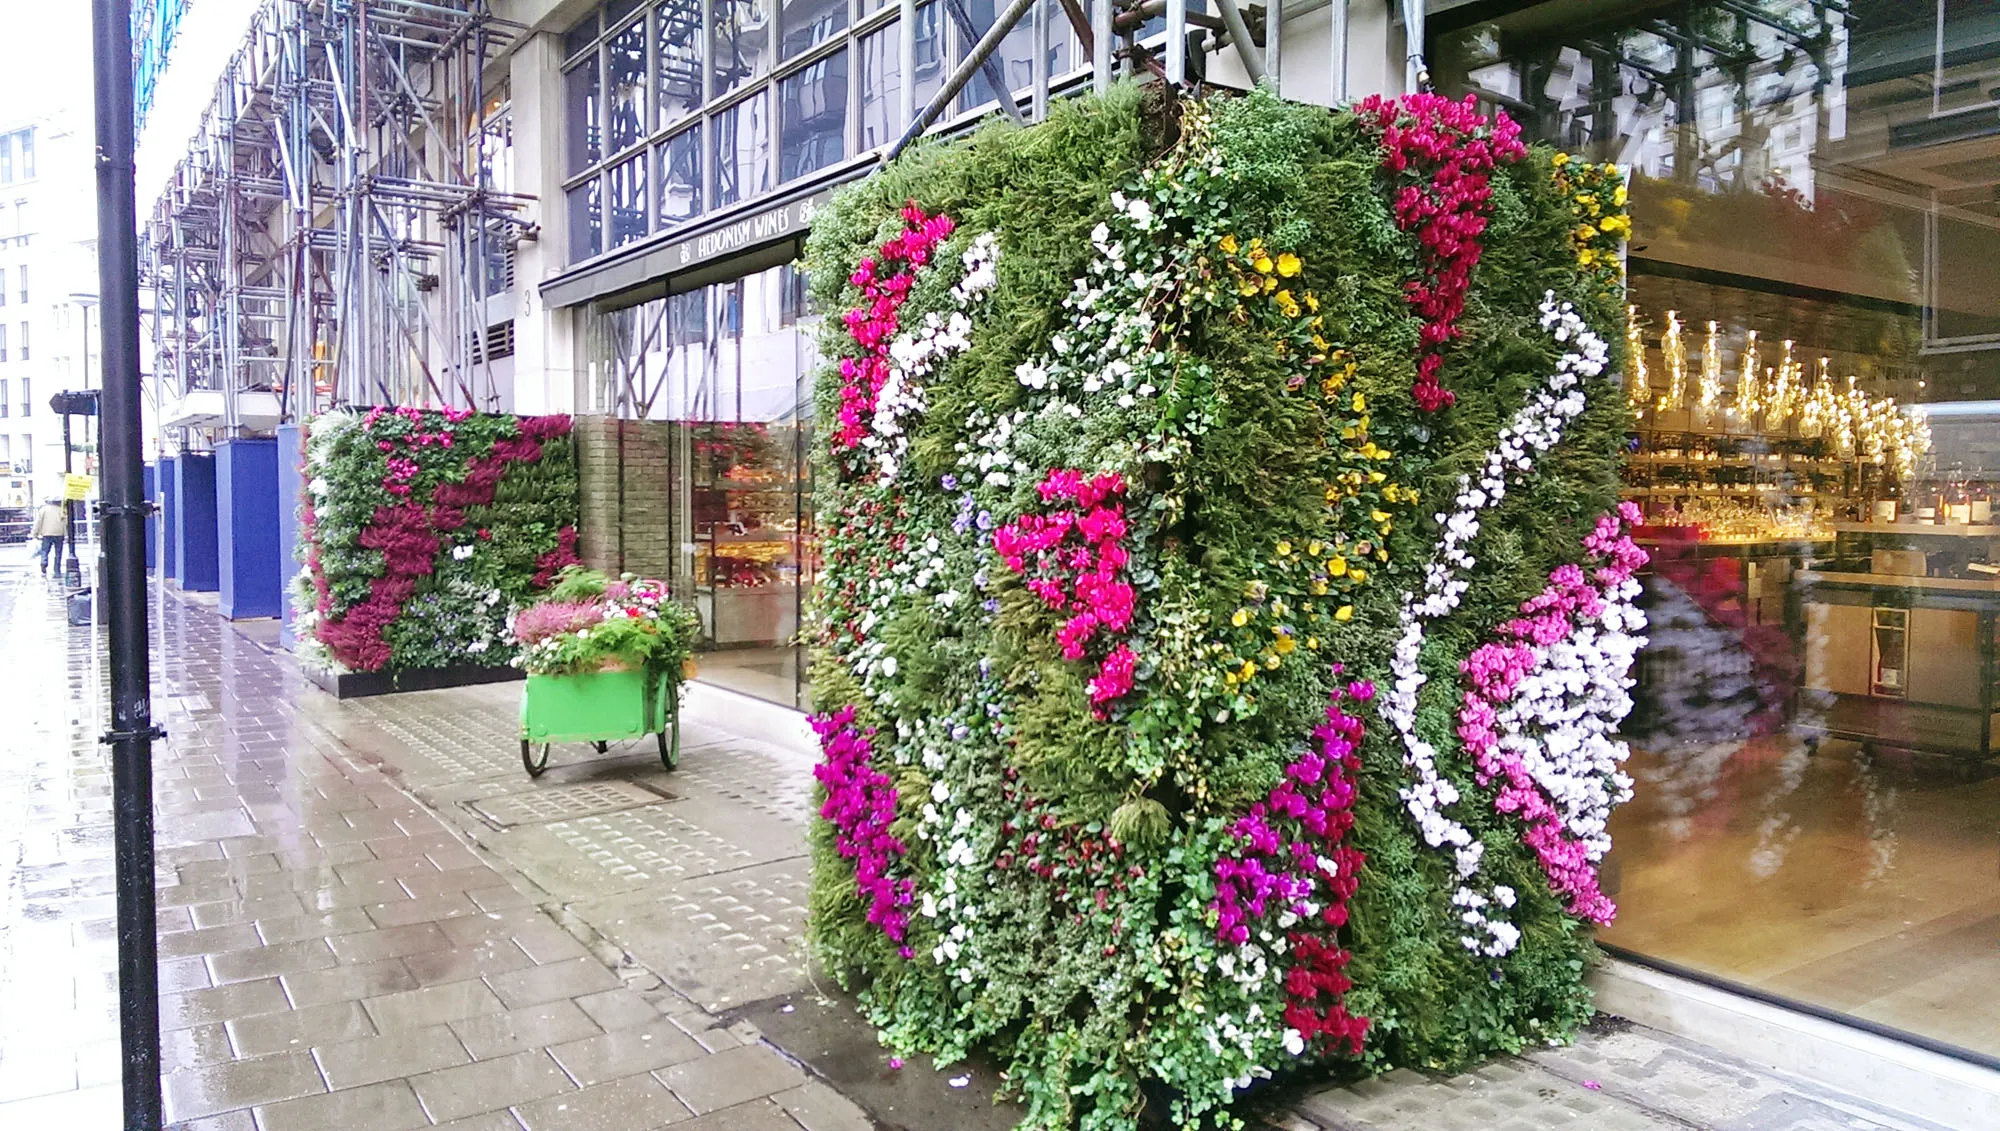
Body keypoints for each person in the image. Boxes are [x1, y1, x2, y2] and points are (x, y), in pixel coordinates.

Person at [30, 497, 66, 575]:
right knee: (58, 553)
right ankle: (57, 568)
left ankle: (44, 562)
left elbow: (38, 522)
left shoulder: (43, 510)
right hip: (59, 533)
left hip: (46, 533)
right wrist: (66, 534)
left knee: (45, 550)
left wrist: (34, 533)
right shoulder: (62, 510)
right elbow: (65, 522)